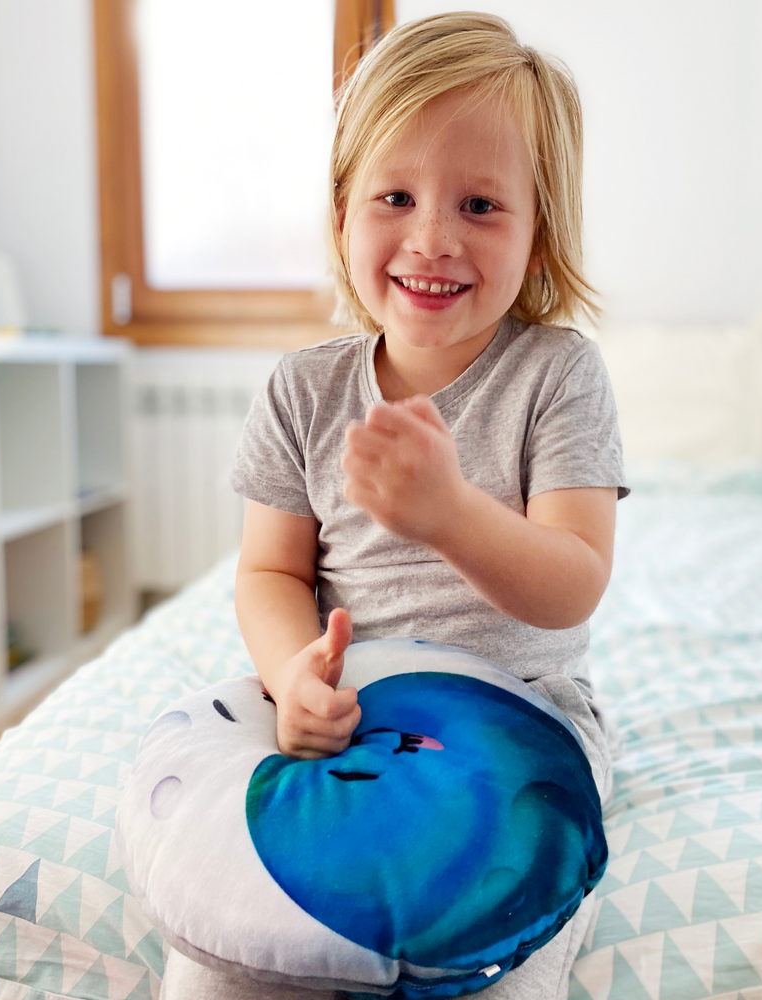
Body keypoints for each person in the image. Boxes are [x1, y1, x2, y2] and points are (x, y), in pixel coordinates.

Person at [160, 11, 628, 1000]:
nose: (432, 237)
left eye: (481, 205)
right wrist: (293, 679)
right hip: (341, 708)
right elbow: (269, 570)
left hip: (516, 714)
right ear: (341, 213)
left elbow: (574, 583)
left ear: (540, 232)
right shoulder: (303, 390)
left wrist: (450, 513)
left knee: (498, 949)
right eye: (397, 195)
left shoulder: (558, 375)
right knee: (225, 950)